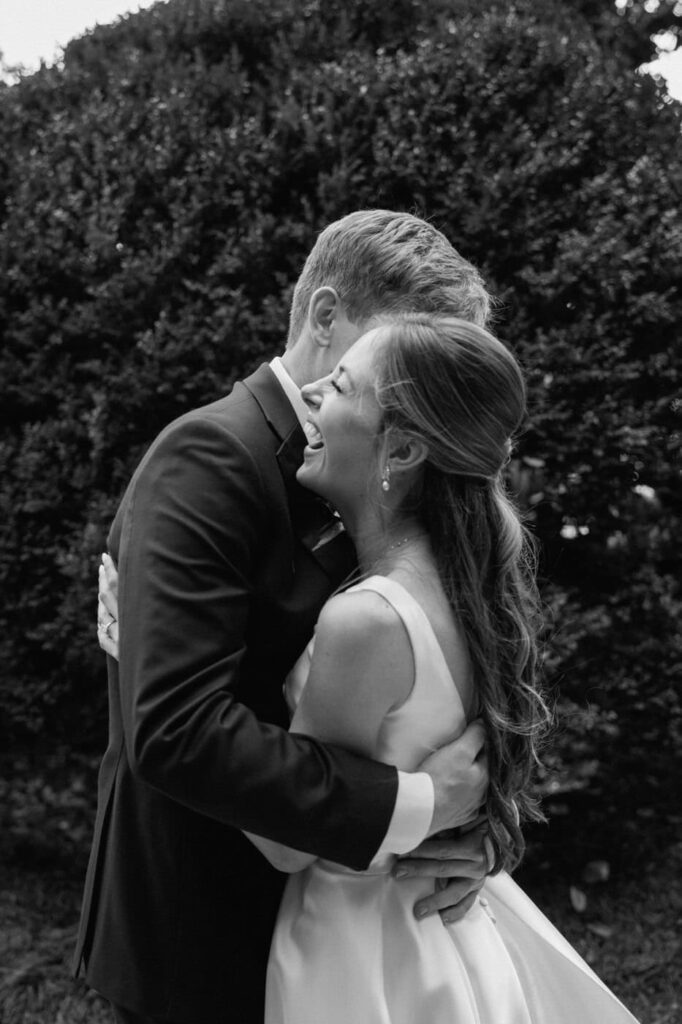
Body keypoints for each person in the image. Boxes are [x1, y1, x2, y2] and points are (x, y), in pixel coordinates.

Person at [100, 314, 641, 1024]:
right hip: (439, 941)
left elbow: (287, 846)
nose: (319, 393)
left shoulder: (365, 617)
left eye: (346, 386)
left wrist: (432, 805)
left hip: (359, 954)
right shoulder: (473, 581)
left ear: (404, 448)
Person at [76, 210, 495, 1024]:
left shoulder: (395, 475)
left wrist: (480, 824)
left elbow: (453, 658)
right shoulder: (207, 458)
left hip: (351, 932)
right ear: (327, 315)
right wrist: (418, 803)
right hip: (206, 932)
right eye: (412, 352)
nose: (430, 387)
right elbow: (175, 728)